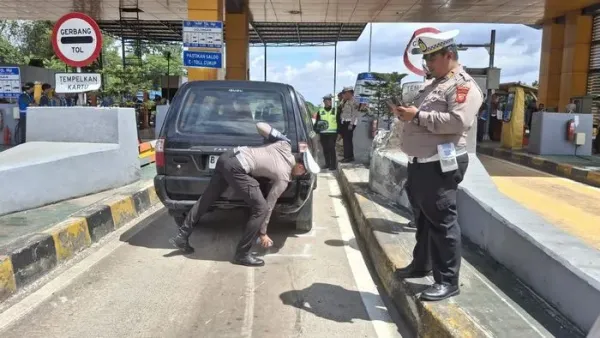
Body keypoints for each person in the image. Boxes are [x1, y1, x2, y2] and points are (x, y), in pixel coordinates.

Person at [392, 29, 484, 301]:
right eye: (426, 59)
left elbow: (458, 122)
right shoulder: (434, 84)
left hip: (441, 163)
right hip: (421, 163)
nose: (428, 64)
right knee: (423, 220)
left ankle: (447, 280)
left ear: (449, 55)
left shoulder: (463, 86)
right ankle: (422, 264)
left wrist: (417, 116)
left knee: (443, 223)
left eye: (432, 58)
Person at [169, 122, 320, 267]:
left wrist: (279, 135)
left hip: (226, 157)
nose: (302, 175)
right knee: (260, 208)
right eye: (304, 172)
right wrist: (263, 232)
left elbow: (260, 125)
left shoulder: (284, 144)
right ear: (300, 165)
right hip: (236, 167)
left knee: (206, 199)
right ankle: (242, 254)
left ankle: (181, 236)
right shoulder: (284, 178)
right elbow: (269, 205)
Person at [314, 94, 338, 170]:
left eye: (329, 101)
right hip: (323, 133)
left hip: (332, 133)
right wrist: (314, 131)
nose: (328, 102)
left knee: (331, 148)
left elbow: (339, 121)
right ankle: (327, 164)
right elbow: (317, 122)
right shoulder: (320, 111)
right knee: (325, 149)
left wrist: (339, 131)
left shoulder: (335, 110)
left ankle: (333, 165)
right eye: (326, 101)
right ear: (324, 102)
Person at [339, 86, 361, 162]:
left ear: (349, 93)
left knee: (347, 140)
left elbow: (355, 113)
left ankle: (348, 157)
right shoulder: (345, 101)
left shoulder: (354, 101)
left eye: (345, 93)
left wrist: (351, 124)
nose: (344, 94)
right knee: (346, 140)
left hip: (350, 123)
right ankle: (347, 156)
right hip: (344, 122)